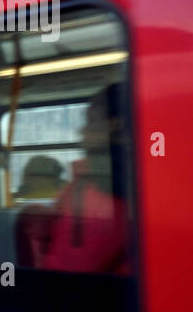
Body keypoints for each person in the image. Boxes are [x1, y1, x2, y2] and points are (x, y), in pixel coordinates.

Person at [37, 84, 129, 274]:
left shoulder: (98, 191)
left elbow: (72, 269)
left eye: (92, 122)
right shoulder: (87, 183)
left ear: (116, 126)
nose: (83, 132)